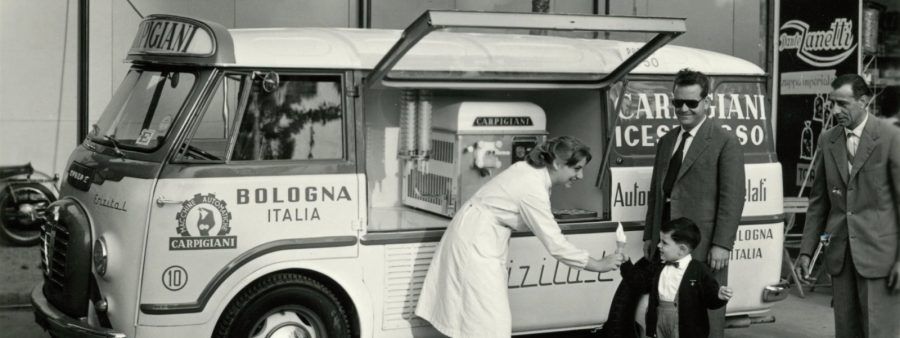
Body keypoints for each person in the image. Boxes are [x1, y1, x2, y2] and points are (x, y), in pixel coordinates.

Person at [414, 136, 626, 338]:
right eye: (576, 168)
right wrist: (598, 265)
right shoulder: (532, 187)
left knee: (476, 323)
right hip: (475, 244)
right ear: (558, 163)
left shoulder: (531, 172)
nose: (580, 176)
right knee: (490, 325)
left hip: (478, 237)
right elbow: (556, 245)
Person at [642, 68, 745, 338]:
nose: (684, 109)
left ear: (707, 103)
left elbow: (732, 197)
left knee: (704, 315)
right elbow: (656, 192)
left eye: (692, 102)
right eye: (678, 102)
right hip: (668, 244)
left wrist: (722, 244)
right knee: (667, 309)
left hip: (704, 245)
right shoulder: (666, 141)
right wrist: (650, 236)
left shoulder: (725, 141)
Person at [796, 74, 900, 338]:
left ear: (863, 101)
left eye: (843, 104)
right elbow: (819, 201)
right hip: (841, 256)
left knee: (879, 330)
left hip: (881, 258)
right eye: (833, 103)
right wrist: (806, 251)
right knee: (846, 330)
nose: (834, 110)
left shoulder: (890, 137)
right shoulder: (827, 139)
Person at [623, 217, 732, 338]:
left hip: (687, 330)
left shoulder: (699, 270)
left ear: (682, 250)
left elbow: (710, 300)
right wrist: (626, 264)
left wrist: (719, 297)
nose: (659, 245)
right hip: (659, 326)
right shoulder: (658, 267)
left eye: (664, 243)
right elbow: (640, 284)